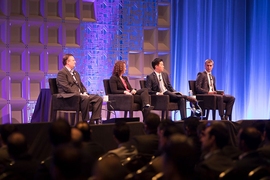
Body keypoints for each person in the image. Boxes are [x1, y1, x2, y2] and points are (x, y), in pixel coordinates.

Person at [56, 53, 103, 124]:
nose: (75, 62)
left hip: (79, 95)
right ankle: (84, 121)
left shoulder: (76, 73)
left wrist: (84, 92)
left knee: (98, 98)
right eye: (73, 60)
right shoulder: (62, 73)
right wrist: (80, 94)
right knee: (85, 98)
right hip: (69, 97)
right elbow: (66, 87)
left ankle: (93, 120)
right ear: (67, 62)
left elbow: (81, 85)